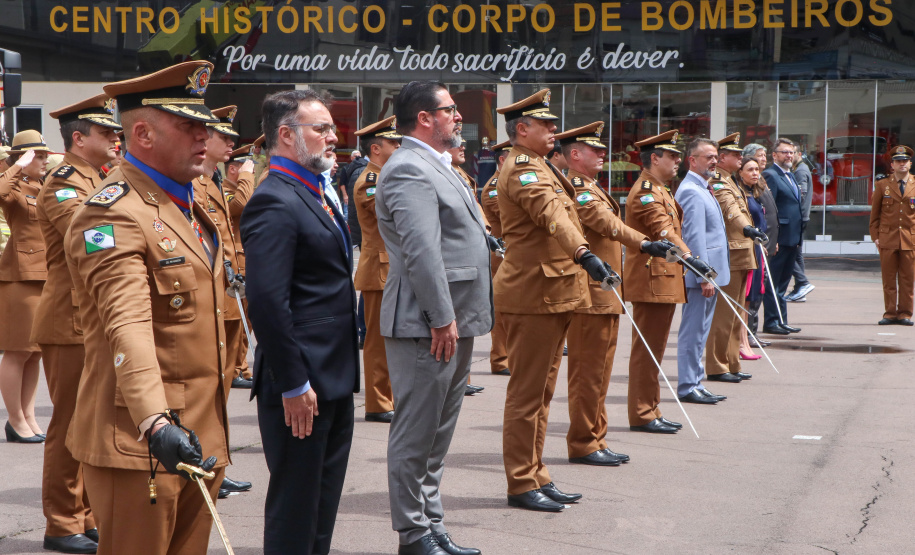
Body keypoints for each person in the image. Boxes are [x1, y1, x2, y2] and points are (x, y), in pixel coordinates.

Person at [65, 60, 230, 554]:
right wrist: (155, 421)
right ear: (142, 133)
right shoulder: (113, 213)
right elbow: (128, 325)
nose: (206, 137)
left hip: (201, 432)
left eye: (206, 127)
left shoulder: (188, 203)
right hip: (142, 442)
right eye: (189, 127)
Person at [375, 81, 492, 555]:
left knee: (438, 431)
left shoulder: (434, 165)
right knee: (417, 431)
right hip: (428, 321)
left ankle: (432, 523)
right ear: (425, 118)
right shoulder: (408, 168)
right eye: (450, 110)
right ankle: (413, 532)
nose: (458, 116)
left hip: (453, 318)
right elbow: (422, 252)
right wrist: (441, 318)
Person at [241, 89, 359, 555]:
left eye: (332, 127)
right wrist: (292, 383)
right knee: (296, 511)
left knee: (321, 508)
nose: (334, 137)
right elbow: (267, 303)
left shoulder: (312, 190)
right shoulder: (275, 199)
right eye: (322, 129)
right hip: (301, 384)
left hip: (329, 376)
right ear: (286, 136)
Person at [495, 90, 616, 513]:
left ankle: (536, 473)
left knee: (542, 395)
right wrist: (585, 254)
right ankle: (520, 482)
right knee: (527, 395)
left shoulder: (544, 166)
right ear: (521, 130)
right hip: (532, 294)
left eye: (552, 125)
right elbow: (554, 216)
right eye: (546, 126)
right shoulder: (523, 169)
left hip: (551, 293)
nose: (553, 132)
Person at [32, 94, 120, 553]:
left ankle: (84, 514)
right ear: (79, 139)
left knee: (88, 423)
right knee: (68, 424)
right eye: (107, 134)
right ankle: (62, 522)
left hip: (89, 317)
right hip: (69, 320)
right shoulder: (64, 181)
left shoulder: (98, 177)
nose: (116, 140)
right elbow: (91, 236)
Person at [558, 122, 671, 465]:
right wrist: (646, 242)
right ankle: (584, 442)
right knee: (588, 373)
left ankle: (596, 438)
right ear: (575, 154)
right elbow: (607, 225)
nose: (604, 155)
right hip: (591, 294)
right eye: (596, 150)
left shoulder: (591, 185)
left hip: (604, 291)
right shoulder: (578, 187)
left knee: (601, 372)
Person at [624, 130, 713, 433]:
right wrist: (691, 256)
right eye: (671, 156)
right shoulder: (646, 191)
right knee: (647, 351)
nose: (677, 161)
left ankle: (651, 408)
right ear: (654, 158)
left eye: (677, 156)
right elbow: (664, 230)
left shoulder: (660, 189)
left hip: (661, 279)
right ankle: (642, 412)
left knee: (655, 351)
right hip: (652, 280)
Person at [191, 105, 255, 502]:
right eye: (223, 136)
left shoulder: (211, 181)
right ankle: (206, 462)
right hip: (212, 296)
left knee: (222, 385)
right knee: (208, 387)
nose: (230, 143)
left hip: (228, 294)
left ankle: (215, 463)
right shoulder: (197, 183)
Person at [0, 131, 50, 444]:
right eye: (39, 156)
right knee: (18, 351)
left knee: (36, 353)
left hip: (48, 274)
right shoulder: (14, 186)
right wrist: (20, 165)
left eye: (45, 155)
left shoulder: (44, 187)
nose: (45, 160)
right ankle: (15, 418)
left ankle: (28, 415)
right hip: (20, 276)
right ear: (23, 158)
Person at [674, 138, 730, 403]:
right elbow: (694, 238)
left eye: (715, 156)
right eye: (708, 157)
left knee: (701, 332)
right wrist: (703, 275)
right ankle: (687, 386)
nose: (714, 161)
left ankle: (696, 382)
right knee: (692, 332)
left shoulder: (703, 188)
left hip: (709, 274)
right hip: (701, 276)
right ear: (692, 160)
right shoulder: (690, 190)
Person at [352, 116, 401, 423]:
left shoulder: (386, 177)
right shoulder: (369, 182)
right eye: (394, 143)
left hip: (391, 268)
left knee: (393, 340)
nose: (399, 147)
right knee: (378, 342)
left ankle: (389, 398)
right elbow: (393, 214)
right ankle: (377, 403)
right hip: (379, 270)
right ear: (376, 149)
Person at [704, 133, 763, 385]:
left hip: (741, 252)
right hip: (731, 252)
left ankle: (730, 362)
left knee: (736, 313)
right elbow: (731, 211)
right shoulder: (719, 181)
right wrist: (748, 229)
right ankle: (717, 365)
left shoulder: (732, 180)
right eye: (735, 155)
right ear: (722, 158)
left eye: (741, 154)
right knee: (724, 314)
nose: (741, 157)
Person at [222, 145, 257, 387]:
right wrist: (246, 177)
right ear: (233, 169)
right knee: (239, 317)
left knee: (247, 319)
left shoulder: (244, 189)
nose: (251, 173)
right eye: (246, 168)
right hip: (236, 262)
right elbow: (240, 205)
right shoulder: (225, 190)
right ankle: (235, 369)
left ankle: (240, 367)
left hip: (247, 258)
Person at [761, 138, 804, 335]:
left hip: (793, 238)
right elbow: (771, 209)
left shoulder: (790, 175)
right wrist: (773, 239)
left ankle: (782, 320)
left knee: (783, 283)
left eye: (791, 152)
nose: (789, 155)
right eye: (785, 152)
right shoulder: (770, 175)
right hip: (780, 238)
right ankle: (771, 321)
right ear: (774, 155)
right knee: (773, 282)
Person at [870, 145, 915, 326]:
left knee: (907, 279)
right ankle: (890, 313)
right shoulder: (882, 185)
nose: (901, 164)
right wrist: (876, 236)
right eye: (898, 161)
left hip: (910, 239)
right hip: (887, 239)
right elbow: (875, 215)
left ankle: (905, 314)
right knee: (888, 279)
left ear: (910, 164)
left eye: (905, 161)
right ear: (892, 165)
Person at [479, 140, 511, 377]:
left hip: (512, 254)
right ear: (502, 160)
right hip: (501, 255)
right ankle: (500, 359)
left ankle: (509, 355)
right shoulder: (494, 187)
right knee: (501, 309)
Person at [743, 144, 778, 345]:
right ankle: (748, 334)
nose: (762, 161)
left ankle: (751, 334)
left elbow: (769, 214)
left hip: (764, 243)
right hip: (752, 246)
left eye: (764, 157)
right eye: (758, 158)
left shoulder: (760, 182)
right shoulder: (745, 189)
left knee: (759, 291)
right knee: (751, 294)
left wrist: (773, 241)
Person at [735, 156, 768, 359]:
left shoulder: (752, 193)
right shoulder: (741, 194)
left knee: (750, 300)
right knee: (744, 297)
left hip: (757, 248)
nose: (755, 173)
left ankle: (745, 339)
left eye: (757, 169)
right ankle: (741, 342)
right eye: (750, 169)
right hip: (747, 248)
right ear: (740, 173)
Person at [786, 147, 815, 302]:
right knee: (796, 253)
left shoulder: (800, 171)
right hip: (801, 217)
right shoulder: (801, 169)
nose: (789, 156)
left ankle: (802, 284)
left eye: (792, 153)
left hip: (798, 218)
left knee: (790, 253)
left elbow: (800, 195)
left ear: (798, 154)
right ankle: (800, 288)